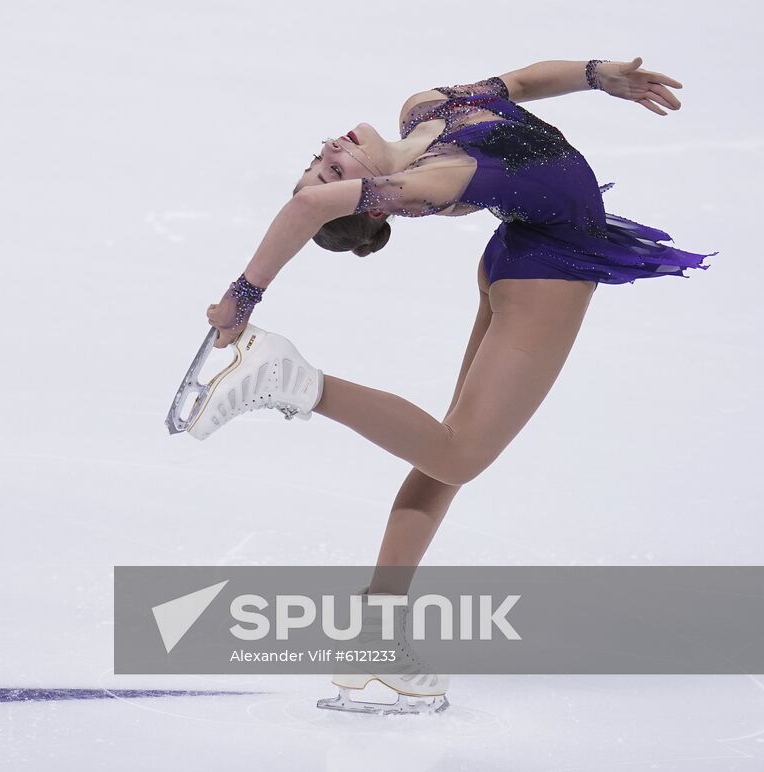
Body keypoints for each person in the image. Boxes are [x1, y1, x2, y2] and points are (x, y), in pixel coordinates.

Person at [191, 58, 715, 714]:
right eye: (332, 169)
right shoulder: (437, 181)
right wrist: (244, 297)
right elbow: (309, 204)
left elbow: (517, 87)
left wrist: (595, 74)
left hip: (523, 252)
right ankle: (295, 382)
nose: (329, 154)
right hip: (547, 267)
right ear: (377, 199)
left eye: (320, 159)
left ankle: (375, 637)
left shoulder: (427, 111)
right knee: (459, 454)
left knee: (444, 457)